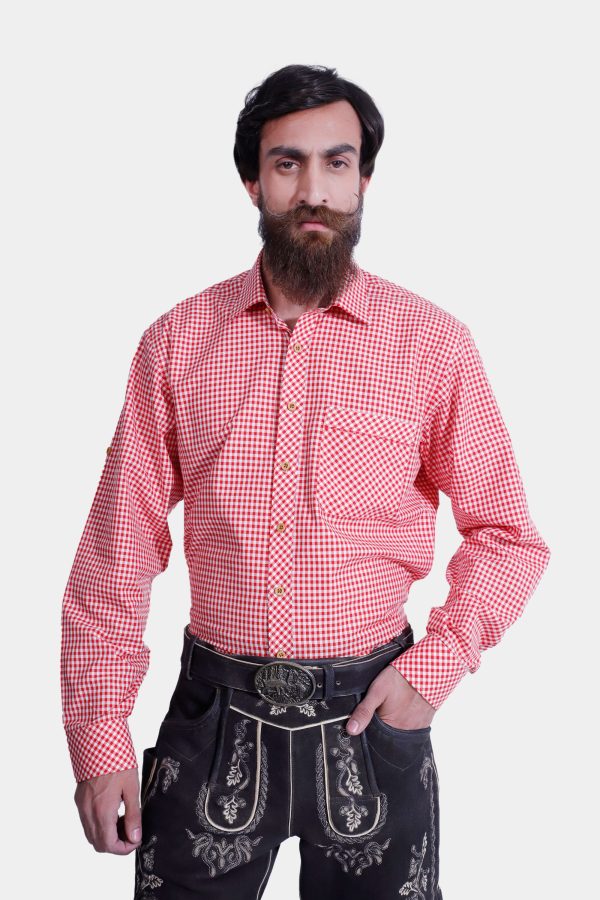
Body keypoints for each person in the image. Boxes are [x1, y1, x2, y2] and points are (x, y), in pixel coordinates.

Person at [60, 64, 551, 899]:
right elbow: (116, 553)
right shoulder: (176, 342)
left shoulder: (431, 344)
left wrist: (433, 669)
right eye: (287, 164)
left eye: (337, 163)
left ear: (364, 180)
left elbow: (508, 536)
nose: (314, 190)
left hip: (373, 721)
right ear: (253, 181)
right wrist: (99, 737)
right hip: (211, 722)